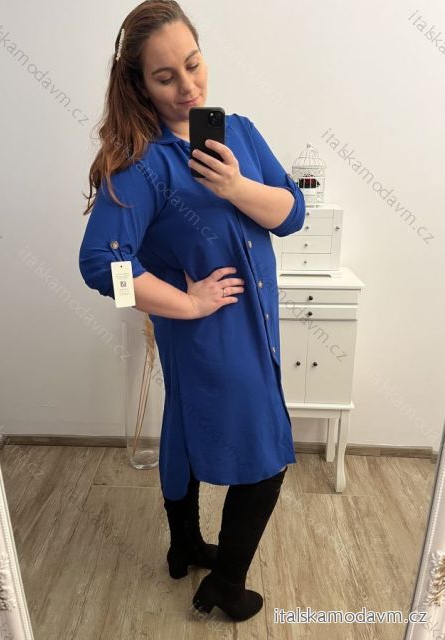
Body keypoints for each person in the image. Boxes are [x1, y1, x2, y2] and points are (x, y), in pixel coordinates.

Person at [78, 0, 305, 623]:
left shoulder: (241, 133)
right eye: (165, 76)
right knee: (266, 459)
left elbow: (291, 215)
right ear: (138, 85)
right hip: (213, 340)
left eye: (194, 64)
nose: (188, 87)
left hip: (255, 329)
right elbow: (100, 264)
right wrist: (188, 301)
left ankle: (183, 548)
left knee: (182, 431)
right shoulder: (143, 164)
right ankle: (226, 585)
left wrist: (235, 187)